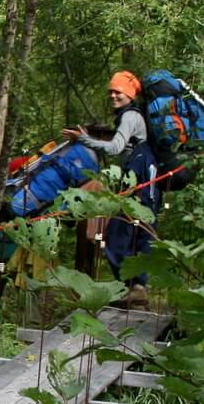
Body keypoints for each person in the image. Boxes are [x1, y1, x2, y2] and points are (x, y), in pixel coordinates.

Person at [61, 71, 157, 309]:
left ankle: (134, 287)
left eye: (119, 92)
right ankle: (137, 289)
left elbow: (115, 148)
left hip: (139, 177)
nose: (113, 95)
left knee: (117, 234)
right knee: (138, 233)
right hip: (146, 177)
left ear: (130, 94)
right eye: (111, 92)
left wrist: (84, 139)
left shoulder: (130, 116)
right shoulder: (134, 116)